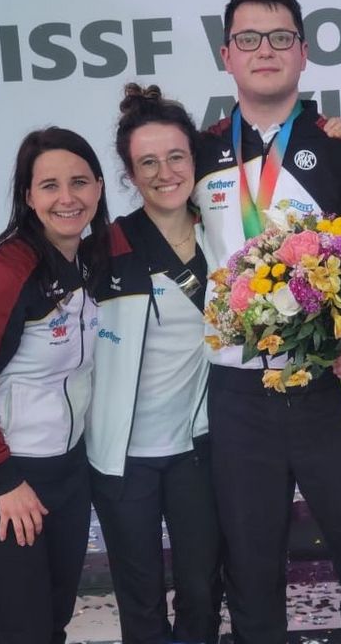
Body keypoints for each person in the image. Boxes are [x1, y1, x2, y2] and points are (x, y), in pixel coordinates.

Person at [192, 0, 341, 643]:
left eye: (280, 37)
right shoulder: (196, 155)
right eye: (248, 39)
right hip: (236, 397)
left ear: (304, 52)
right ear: (226, 54)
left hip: (330, 387)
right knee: (251, 571)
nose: (265, 50)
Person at [0, 126, 110, 644]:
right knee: (26, 633)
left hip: (66, 471)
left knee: (50, 623)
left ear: (99, 188)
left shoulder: (93, 257)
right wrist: (4, 481)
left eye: (79, 182)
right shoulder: (7, 274)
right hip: (2, 480)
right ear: (28, 196)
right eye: (50, 186)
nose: (67, 198)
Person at [86, 83, 222, 644]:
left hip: (198, 448)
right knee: (139, 600)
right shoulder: (105, 247)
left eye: (175, 157)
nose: (164, 172)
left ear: (194, 159)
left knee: (202, 590)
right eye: (147, 162)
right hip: (122, 458)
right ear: (128, 174)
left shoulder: (228, 234)